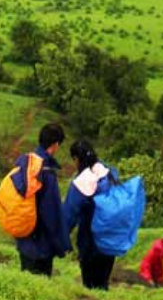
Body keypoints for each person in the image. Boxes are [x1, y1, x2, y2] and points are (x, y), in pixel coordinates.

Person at [15, 123, 71, 276]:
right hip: (41, 245)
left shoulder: (25, 163)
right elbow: (51, 213)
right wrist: (60, 244)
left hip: (24, 238)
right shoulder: (46, 172)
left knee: (26, 284)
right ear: (56, 144)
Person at [63, 139, 118, 290]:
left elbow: (68, 215)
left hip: (90, 243)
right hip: (110, 240)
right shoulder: (110, 173)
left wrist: (60, 240)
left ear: (76, 159)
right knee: (103, 285)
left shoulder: (82, 182)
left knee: (90, 287)